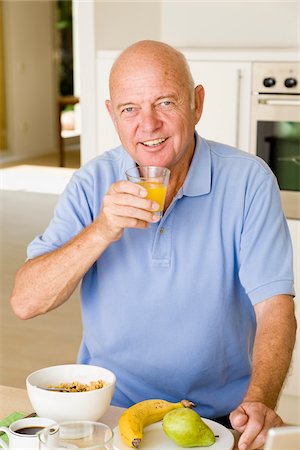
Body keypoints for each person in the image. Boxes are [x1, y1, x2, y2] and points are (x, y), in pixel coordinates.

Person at [10, 40, 296, 450]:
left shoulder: (249, 181)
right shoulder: (91, 183)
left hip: (217, 417)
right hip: (110, 414)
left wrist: (259, 400)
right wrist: (103, 229)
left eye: (165, 103)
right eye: (130, 109)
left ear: (196, 104)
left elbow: (275, 306)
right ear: (112, 115)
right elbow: (25, 302)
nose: (149, 124)